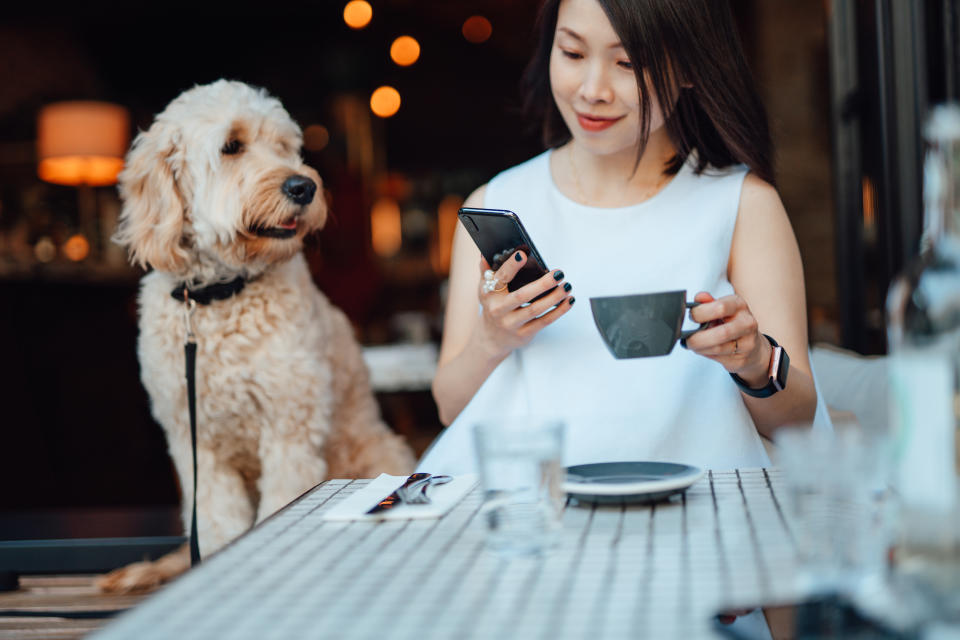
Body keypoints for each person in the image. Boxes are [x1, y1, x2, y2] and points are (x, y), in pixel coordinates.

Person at [421, 0, 826, 477]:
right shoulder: (498, 200)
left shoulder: (741, 203)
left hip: (701, 511)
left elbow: (798, 422)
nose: (592, 91)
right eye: (572, 54)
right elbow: (449, 407)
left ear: (691, 65)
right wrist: (492, 338)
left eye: (628, 63)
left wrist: (756, 360)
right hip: (539, 511)